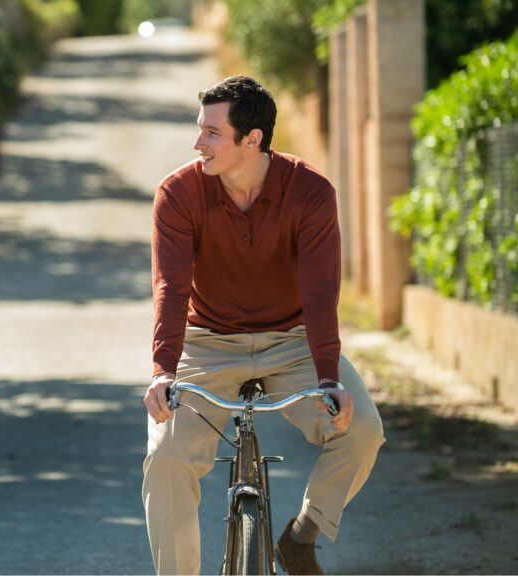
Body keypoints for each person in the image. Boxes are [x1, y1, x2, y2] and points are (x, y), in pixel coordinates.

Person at [142, 76, 385, 575]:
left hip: (293, 339)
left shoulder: (311, 192)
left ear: (252, 139)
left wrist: (327, 378)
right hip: (207, 343)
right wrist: (163, 370)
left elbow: (321, 293)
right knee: (166, 457)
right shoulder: (179, 192)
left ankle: (301, 536)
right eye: (199, 130)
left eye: (212, 133)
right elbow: (172, 287)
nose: (198, 144)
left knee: (362, 431)